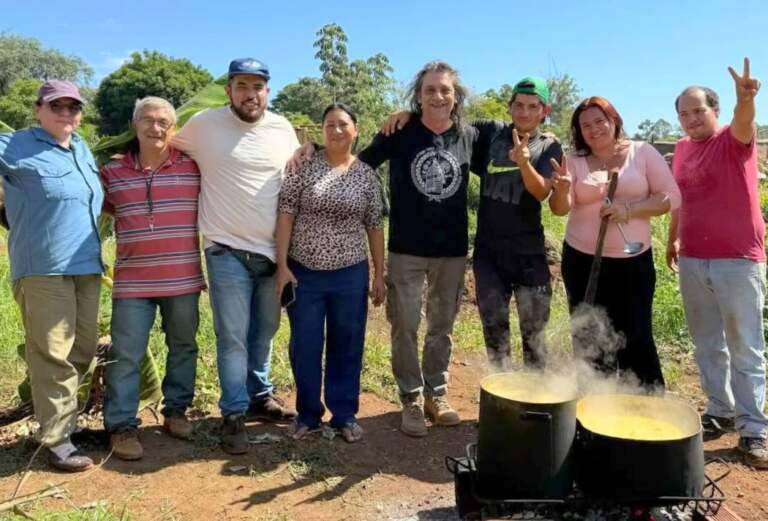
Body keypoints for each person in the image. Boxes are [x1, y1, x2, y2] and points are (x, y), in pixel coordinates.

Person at [290, 61, 477, 437]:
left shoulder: (471, 135)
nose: (438, 96)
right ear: (418, 96)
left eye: (444, 90)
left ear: (455, 96)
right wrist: (312, 147)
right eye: (429, 90)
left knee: (442, 326)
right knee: (404, 326)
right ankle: (411, 397)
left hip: (453, 251)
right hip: (406, 249)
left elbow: (513, 150)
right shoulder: (401, 131)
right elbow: (354, 163)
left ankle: (436, 395)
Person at [382, 77, 571, 370]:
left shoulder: (549, 147)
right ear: (510, 107)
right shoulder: (491, 132)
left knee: (534, 335)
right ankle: (502, 403)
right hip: (488, 255)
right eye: (518, 105)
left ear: (544, 111)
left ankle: (535, 408)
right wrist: (408, 115)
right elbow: (444, 118)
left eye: (533, 107)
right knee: (495, 332)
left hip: (529, 254)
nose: (524, 112)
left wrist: (523, 162)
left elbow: (542, 191)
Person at [173, 58, 299, 455]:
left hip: (274, 255)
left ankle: (259, 394)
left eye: (258, 86)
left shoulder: (283, 129)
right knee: (232, 338)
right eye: (242, 85)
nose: (250, 93)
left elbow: (299, 170)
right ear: (228, 90)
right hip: (226, 249)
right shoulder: (203, 125)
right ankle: (233, 414)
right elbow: (160, 140)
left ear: (268, 91)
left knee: (264, 331)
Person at [667, 58, 767, 468]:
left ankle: (754, 430)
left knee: (745, 345)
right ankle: (720, 410)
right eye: (684, 113)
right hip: (693, 258)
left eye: (698, 110)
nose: (691, 119)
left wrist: (747, 100)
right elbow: (678, 197)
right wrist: (672, 237)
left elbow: (746, 122)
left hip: (736, 260)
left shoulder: (733, 139)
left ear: (716, 111)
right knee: (708, 341)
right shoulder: (681, 149)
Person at [0, 80, 104, 472]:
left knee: (82, 349)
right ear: (37, 109)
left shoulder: (81, 148)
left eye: (72, 108)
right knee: (53, 353)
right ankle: (57, 440)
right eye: (56, 107)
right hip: (43, 269)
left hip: (87, 266)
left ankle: (66, 426)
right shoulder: (15, 145)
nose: (65, 114)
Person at [101, 97, 204, 461]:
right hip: (132, 283)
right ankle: (121, 425)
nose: (155, 127)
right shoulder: (111, 174)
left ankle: (175, 411)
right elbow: (98, 211)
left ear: (173, 128)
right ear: (135, 125)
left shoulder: (193, 169)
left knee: (183, 346)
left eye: (163, 121)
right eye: (147, 120)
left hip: (183, 278)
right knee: (125, 355)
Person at [275, 103, 385, 443]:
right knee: (305, 344)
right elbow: (286, 214)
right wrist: (281, 267)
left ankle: (344, 415)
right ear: (321, 130)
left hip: (350, 273)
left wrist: (379, 273)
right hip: (304, 273)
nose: (336, 131)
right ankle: (307, 414)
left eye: (343, 124)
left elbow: (375, 225)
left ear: (356, 129)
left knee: (347, 343)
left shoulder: (367, 175)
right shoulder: (303, 166)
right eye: (329, 125)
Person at [559, 96, 680, 389]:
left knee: (635, 333)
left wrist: (629, 210)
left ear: (614, 121)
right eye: (585, 124)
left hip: (632, 262)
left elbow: (671, 197)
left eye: (600, 121)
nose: (594, 129)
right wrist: (562, 190)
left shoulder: (642, 152)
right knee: (588, 333)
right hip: (581, 259)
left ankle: (645, 411)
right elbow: (562, 207)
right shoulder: (573, 159)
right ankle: (594, 408)